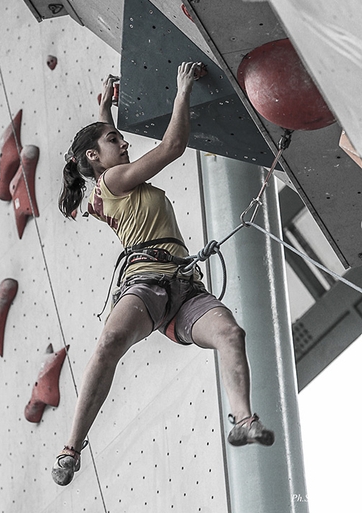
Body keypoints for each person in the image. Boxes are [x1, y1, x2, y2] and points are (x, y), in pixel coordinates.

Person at [52, 62, 274, 486]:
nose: (124, 144)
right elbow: (172, 146)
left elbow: (100, 148)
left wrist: (105, 110)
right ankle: (72, 447)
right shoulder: (114, 180)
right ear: (96, 159)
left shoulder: (108, 189)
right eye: (115, 140)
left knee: (231, 333)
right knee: (110, 342)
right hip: (149, 281)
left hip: (184, 288)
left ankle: (244, 419)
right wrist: (181, 90)